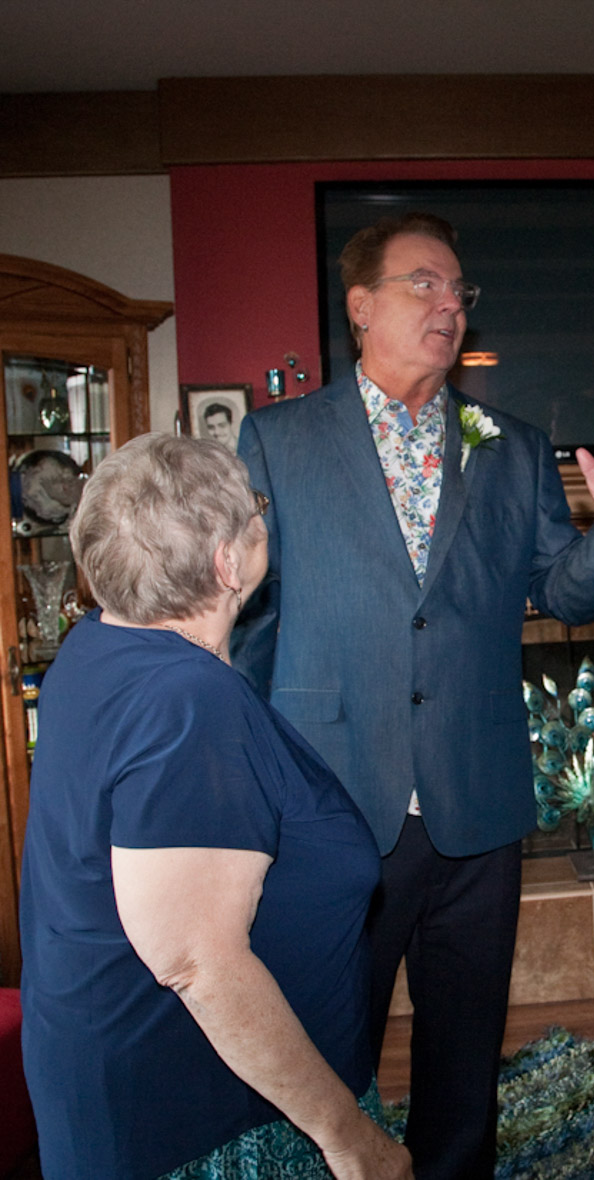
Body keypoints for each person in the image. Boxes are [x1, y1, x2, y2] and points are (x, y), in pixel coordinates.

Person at [232, 211, 594, 1179]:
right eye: (422, 283)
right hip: (335, 803)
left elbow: (560, 589)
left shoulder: (512, 445)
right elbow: (250, 622)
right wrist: (245, 785)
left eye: (458, 289)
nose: (448, 303)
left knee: (465, 1056)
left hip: (478, 801)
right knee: (327, 1052)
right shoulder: (278, 440)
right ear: (360, 306)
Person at [20, 434, 409, 1179]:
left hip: (128, 1080)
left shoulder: (94, 645)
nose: (266, 518)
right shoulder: (188, 701)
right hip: (204, 1116)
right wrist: (350, 1139)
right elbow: (200, 963)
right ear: (228, 563)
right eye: (255, 507)